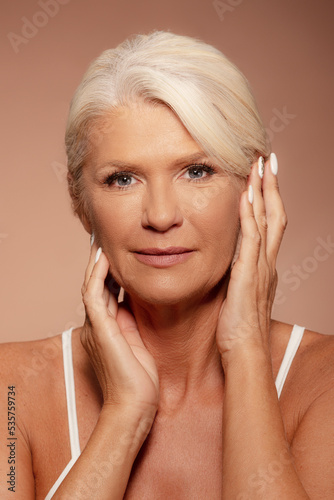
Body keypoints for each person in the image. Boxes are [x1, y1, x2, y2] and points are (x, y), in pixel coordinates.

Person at [1, 30, 333, 500]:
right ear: (81, 203)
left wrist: (245, 352)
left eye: (197, 171)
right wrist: (124, 413)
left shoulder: (325, 382)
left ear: (255, 187)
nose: (160, 215)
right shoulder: (9, 390)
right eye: (122, 179)